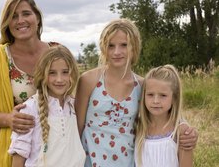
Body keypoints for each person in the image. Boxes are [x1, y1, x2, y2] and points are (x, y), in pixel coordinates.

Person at [74, 18, 197, 167]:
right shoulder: (89, 80)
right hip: (91, 162)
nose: (116, 52)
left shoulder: (142, 86)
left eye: (124, 45)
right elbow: (76, 128)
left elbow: (165, 114)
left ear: (134, 47)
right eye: (111, 46)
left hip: (128, 162)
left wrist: (187, 130)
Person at [0, 0, 58, 167]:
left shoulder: (57, 53)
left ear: (37, 17)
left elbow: (73, 99)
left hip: (56, 145)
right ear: (7, 23)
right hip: (14, 150)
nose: (20, 20)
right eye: (13, 16)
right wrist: (8, 119)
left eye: (26, 13)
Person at [8, 45, 86, 167]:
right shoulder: (30, 109)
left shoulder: (73, 105)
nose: (59, 79)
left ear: (73, 74)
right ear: (43, 74)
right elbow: (18, 159)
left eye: (65, 72)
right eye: (52, 73)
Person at [135, 64, 193, 167]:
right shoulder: (138, 127)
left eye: (163, 95)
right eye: (150, 95)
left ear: (174, 98)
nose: (156, 101)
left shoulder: (180, 130)